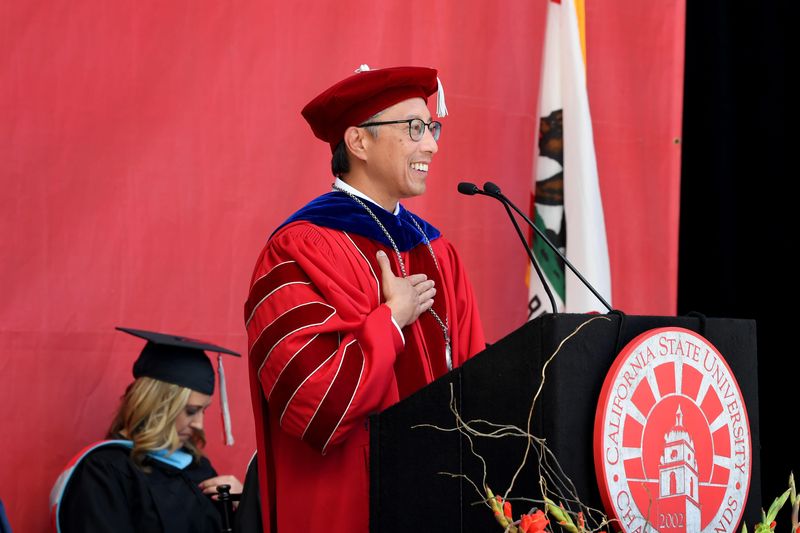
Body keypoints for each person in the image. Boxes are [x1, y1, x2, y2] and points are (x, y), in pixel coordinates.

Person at [244, 64, 486, 532]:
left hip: (440, 504)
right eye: (415, 128)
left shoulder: (438, 253)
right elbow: (310, 404)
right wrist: (392, 320)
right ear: (358, 142)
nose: (432, 144)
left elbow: (477, 380)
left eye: (432, 127)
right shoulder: (299, 250)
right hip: (346, 507)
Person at [50, 327, 243, 533]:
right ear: (156, 405)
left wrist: (245, 508)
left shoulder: (198, 468)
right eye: (190, 411)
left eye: (203, 411)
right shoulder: (103, 472)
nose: (199, 425)